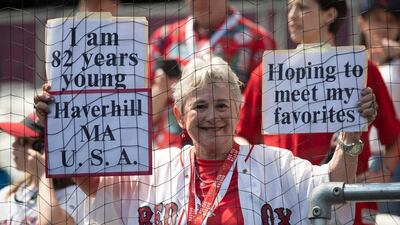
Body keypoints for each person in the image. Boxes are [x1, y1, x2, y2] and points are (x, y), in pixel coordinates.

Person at [35, 55, 377, 225]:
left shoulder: (276, 164)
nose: (213, 116)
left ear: (239, 110)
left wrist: (352, 130)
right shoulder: (154, 166)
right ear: (180, 116)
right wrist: (62, 121)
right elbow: (90, 184)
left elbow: (336, 183)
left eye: (222, 105)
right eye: (200, 106)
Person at [237, 0, 400, 224]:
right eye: (290, 7)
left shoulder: (362, 68)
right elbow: (240, 135)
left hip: (350, 197)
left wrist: (382, 174)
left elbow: (393, 136)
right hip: (284, 201)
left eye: (302, 7)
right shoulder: (268, 71)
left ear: (330, 14)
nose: (292, 15)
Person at [150, 0, 277, 149]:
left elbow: (266, 114)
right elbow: (140, 116)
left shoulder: (258, 40)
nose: (199, 2)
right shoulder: (164, 38)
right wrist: (162, 89)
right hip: (170, 154)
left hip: (230, 154)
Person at [0, 113, 85, 225]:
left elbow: (51, 222)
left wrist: (43, 174)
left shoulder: (74, 194)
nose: (14, 145)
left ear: (43, 148)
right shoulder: (9, 193)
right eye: (15, 139)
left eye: (22, 141)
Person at [358, 0, 400, 216]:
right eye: (377, 18)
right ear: (361, 22)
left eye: (391, 20)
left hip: (392, 162)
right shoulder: (350, 63)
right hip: (364, 158)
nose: (384, 25)